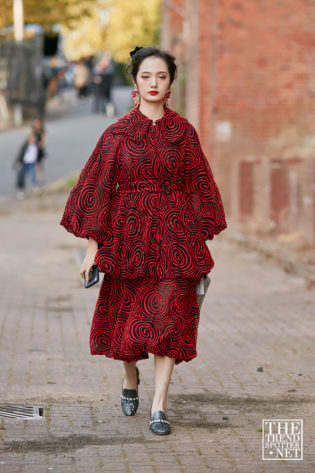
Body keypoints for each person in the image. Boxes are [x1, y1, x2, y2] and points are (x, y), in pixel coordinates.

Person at [60, 46, 227, 435]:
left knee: (168, 320)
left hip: (175, 239)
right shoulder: (117, 133)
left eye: (162, 77)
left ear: (171, 83)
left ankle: (159, 406)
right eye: (146, 76)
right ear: (134, 80)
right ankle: (130, 376)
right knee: (131, 324)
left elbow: (200, 181)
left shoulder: (183, 131)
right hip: (128, 238)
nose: (154, 83)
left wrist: (201, 234)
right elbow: (97, 187)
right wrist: (92, 249)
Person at [14, 130, 41, 199]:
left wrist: (38, 162)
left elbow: (38, 155)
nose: (32, 139)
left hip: (32, 163)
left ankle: (35, 187)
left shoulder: (37, 145)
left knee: (33, 175)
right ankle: (21, 191)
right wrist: (19, 162)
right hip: (24, 163)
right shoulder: (25, 145)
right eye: (30, 137)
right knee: (21, 177)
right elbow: (20, 154)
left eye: (33, 138)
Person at [32, 118, 46, 187]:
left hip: (39, 152)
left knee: (39, 166)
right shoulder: (33, 131)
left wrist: (38, 145)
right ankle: (35, 179)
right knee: (34, 166)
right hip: (32, 151)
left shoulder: (42, 132)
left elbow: (43, 143)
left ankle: (39, 180)